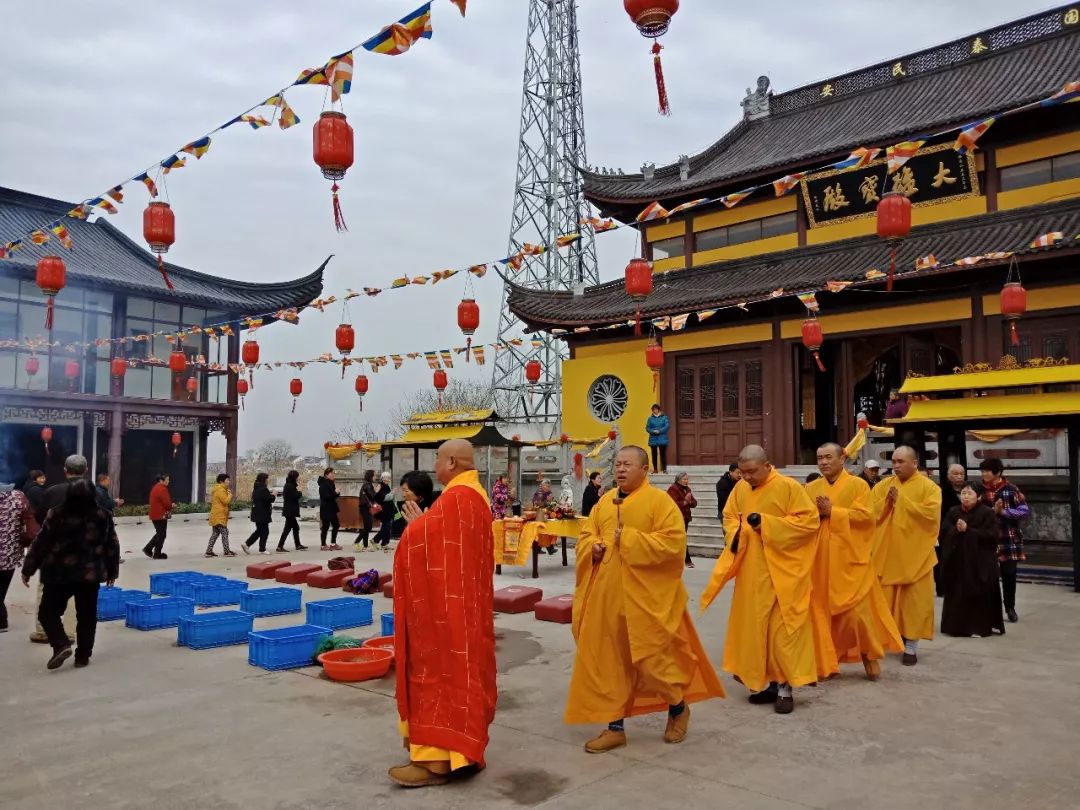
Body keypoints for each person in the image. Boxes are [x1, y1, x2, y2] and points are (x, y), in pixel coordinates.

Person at [565, 446, 724, 752]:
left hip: (646, 599)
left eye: (627, 464)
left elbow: (673, 546)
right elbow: (587, 535)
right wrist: (594, 547)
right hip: (607, 595)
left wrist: (631, 540)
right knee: (608, 661)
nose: (621, 469)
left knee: (653, 661)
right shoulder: (604, 502)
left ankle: (678, 707)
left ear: (645, 469)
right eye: (617, 464)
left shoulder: (660, 503)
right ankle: (614, 727)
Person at [389, 440, 496, 788]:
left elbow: (431, 543)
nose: (435, 464)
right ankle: (458, 755)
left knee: (439, 674)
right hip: (464, 607)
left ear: (451, 461)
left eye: (437, 458)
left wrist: (417, 527)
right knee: (461, 673)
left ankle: (437, 761)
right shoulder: (473, 496)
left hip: (447, 612)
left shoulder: (458, 499)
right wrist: (424, 527)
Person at [702, 445, 819, 714]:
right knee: (755, 632)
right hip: (752, 574)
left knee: (782, 635)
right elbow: (730, 517)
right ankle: (763, 684)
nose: (747, 477)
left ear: (767, 465)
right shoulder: (741, 489)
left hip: (783, 575)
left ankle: (785, 689)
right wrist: (740, 531)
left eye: (752, 472)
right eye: (742, 473)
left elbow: (808, 522)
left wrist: (766, 524)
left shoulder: (788, 487)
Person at [805, 443, 902, 682]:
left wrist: (833, 511)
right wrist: (816, 514)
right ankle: (827, 659)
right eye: (819, 458)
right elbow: (803, 516)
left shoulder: (858, 485)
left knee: (858, 613)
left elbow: (866, 517)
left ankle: (869, 654)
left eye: (828, 457)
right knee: (823, 611)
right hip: (820, 558)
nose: (823, 462)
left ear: (842, 459)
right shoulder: (811, 487)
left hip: (849, 556)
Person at [21, 479, 120, 670]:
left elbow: (41, 543)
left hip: (59, 574)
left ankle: (60, 643)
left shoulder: (56, 514)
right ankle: (82, 656)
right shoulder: (102, 515)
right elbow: (112, 545)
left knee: (47, 612)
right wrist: (112, 572)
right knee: (87, 616)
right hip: (89, 575)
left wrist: (28, 569)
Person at [871, 446, 941, 666]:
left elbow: (930, 518)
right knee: (884, 602)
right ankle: (884, 641)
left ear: (915, 463)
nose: (896, 466)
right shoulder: (883, 486)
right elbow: (869, 513)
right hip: (888, 554)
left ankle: (911, 646)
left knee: (914, 604)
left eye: (901, 461)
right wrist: (887, 503)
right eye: (893, 462)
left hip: (916, 556)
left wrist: (902, 502)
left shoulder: (930, 488)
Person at [28, 455, 87, 644]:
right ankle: (69, 633)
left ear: (65, 470)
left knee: (45, 588)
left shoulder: (52, 492)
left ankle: (43, 631)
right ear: (85, 471)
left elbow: (39, 517)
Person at [940, 485, 1005, 638]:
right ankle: (955, 627)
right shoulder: (953, 512)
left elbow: (992, 536)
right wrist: (956, 530)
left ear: (979, 496)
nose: (966, 497)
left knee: (979, 594)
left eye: (970, 493)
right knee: (957, 594)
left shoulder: (987, 513)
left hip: (980, 562)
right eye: (963, 493)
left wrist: (969, 530)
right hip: (959, 561)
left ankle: (979, 627)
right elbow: (944, 533)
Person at [979, 458, 1028, 624]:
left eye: (987, 471)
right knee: (988, 576)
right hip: (987, 538)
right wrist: (992, 511)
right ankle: (990, 609)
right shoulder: (979, 489)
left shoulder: (1011, 489)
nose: (984, 474)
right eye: (982, 471)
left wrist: (1004, 512)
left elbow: (1024, 511)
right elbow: (973, 511)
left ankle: (1010, 607)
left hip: (1009, 538)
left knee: (1009, 574)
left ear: (998, 472)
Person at [0, 484, 37, 633]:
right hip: (10, 551)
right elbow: (30, 525)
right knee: (2, 586)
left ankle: (1, 621)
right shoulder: (19, 498)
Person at [937, 464, 970, 596]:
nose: (959, 476)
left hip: (966, 531)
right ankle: (943, 588)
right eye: (955, 474)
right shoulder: (941, 491)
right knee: (945, 561)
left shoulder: (969, 490)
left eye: (961, 474)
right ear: (948, 476)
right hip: (946, 532)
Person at [666, 472, 698, 568]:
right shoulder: (673, 489)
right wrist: (685, 502)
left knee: (679, 538)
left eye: (687, 479)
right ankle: (687, 560)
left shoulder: (687, 489)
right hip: (676, 517)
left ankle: (674, 558)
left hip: (685, 517)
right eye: (684, 479)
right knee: (682, 538)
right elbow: (672, 504)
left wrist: (690, 501)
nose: (686, 481)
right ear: (678, 480)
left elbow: (694, 503)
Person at [241, 473, 275, 555]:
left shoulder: (256, 488)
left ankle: (247, 544)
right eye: (267, 479)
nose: (268, 480)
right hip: (262, 513)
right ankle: (262, 549)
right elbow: (269, 499)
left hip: (257, 512)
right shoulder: (263, 489)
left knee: (260, 530)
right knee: (264, 531)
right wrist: (274, 494)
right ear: (264, 479)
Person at [205, 473, 236, 557]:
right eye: (227, 480)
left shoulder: (220, 489)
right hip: (219, 516)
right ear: (222, 481)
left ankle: (208, 551)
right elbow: (225, 501)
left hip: (217, 515)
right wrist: (230, 495)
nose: (229, 481)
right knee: (225, 532)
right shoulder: (220, 490)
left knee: (215, 533)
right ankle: (226, 551)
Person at [277, 470, 307, 552]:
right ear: (294, 477)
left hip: (289, 511)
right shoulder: (289, 486)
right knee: (287, 529)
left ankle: (297, 545)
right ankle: (280, 546)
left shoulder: (289, 485)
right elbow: (294, 496)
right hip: (290, 511)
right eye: (297, 477)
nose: (298, 479)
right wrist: (300, 491)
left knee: (295, 528)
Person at [143, 474, 172, 560]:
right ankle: (156, 554)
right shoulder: (162, 489)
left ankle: (148, 549)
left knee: (160, 534)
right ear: (161, 480)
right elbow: (167, 503)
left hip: (155, 514)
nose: (168, 481)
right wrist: (172, 505)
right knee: (162, 535)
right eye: (167, 479)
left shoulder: (155, 487)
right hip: (160, 515)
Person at [318, 468, 342, 551]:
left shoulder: (331, 484)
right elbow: (326, 497)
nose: (333, 475)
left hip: (332, 509)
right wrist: (335, 493)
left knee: (336, 525)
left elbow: (333, 496)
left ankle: (333, 543)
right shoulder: (323, 485)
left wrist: (337, 493)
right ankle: (323, 545)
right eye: (331, 473)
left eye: (333, 473)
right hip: (326, 509)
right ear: (326, 475)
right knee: (325, 527)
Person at [645, 404, 670, 473]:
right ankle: (655, 469)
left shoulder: (664, 417)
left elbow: (667, 426)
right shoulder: (650, 419)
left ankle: (664, 469)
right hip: (653, 438)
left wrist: (660, 431)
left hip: (662, 438)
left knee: (663, 454)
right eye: (653, 410)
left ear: (659, 409)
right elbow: (647, 428)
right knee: (654, 455)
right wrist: (653, 431)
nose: (654, 411)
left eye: (656, 409)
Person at [374, 471, 395, 551]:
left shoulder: (386, 486)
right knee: (386, 527)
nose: (388, 479)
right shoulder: (381, 486)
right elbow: (384, 498)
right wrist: (392, 493)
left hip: (388, 510)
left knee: (387, 527)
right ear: (382, 478)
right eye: (387, 478)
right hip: (384, 510)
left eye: (389, 478)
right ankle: (375, 540)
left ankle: (384, 543)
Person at [357, 469, 377, 552]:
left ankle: (365, 546)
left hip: (364, 507)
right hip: (365, 508)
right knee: (368, 527)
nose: (376, 477)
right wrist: (377, 491)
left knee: (366, 527)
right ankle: (356, 542)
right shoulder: (368, 485)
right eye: (374, 475)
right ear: (371, 476)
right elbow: (372, 496)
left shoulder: (366, 484)